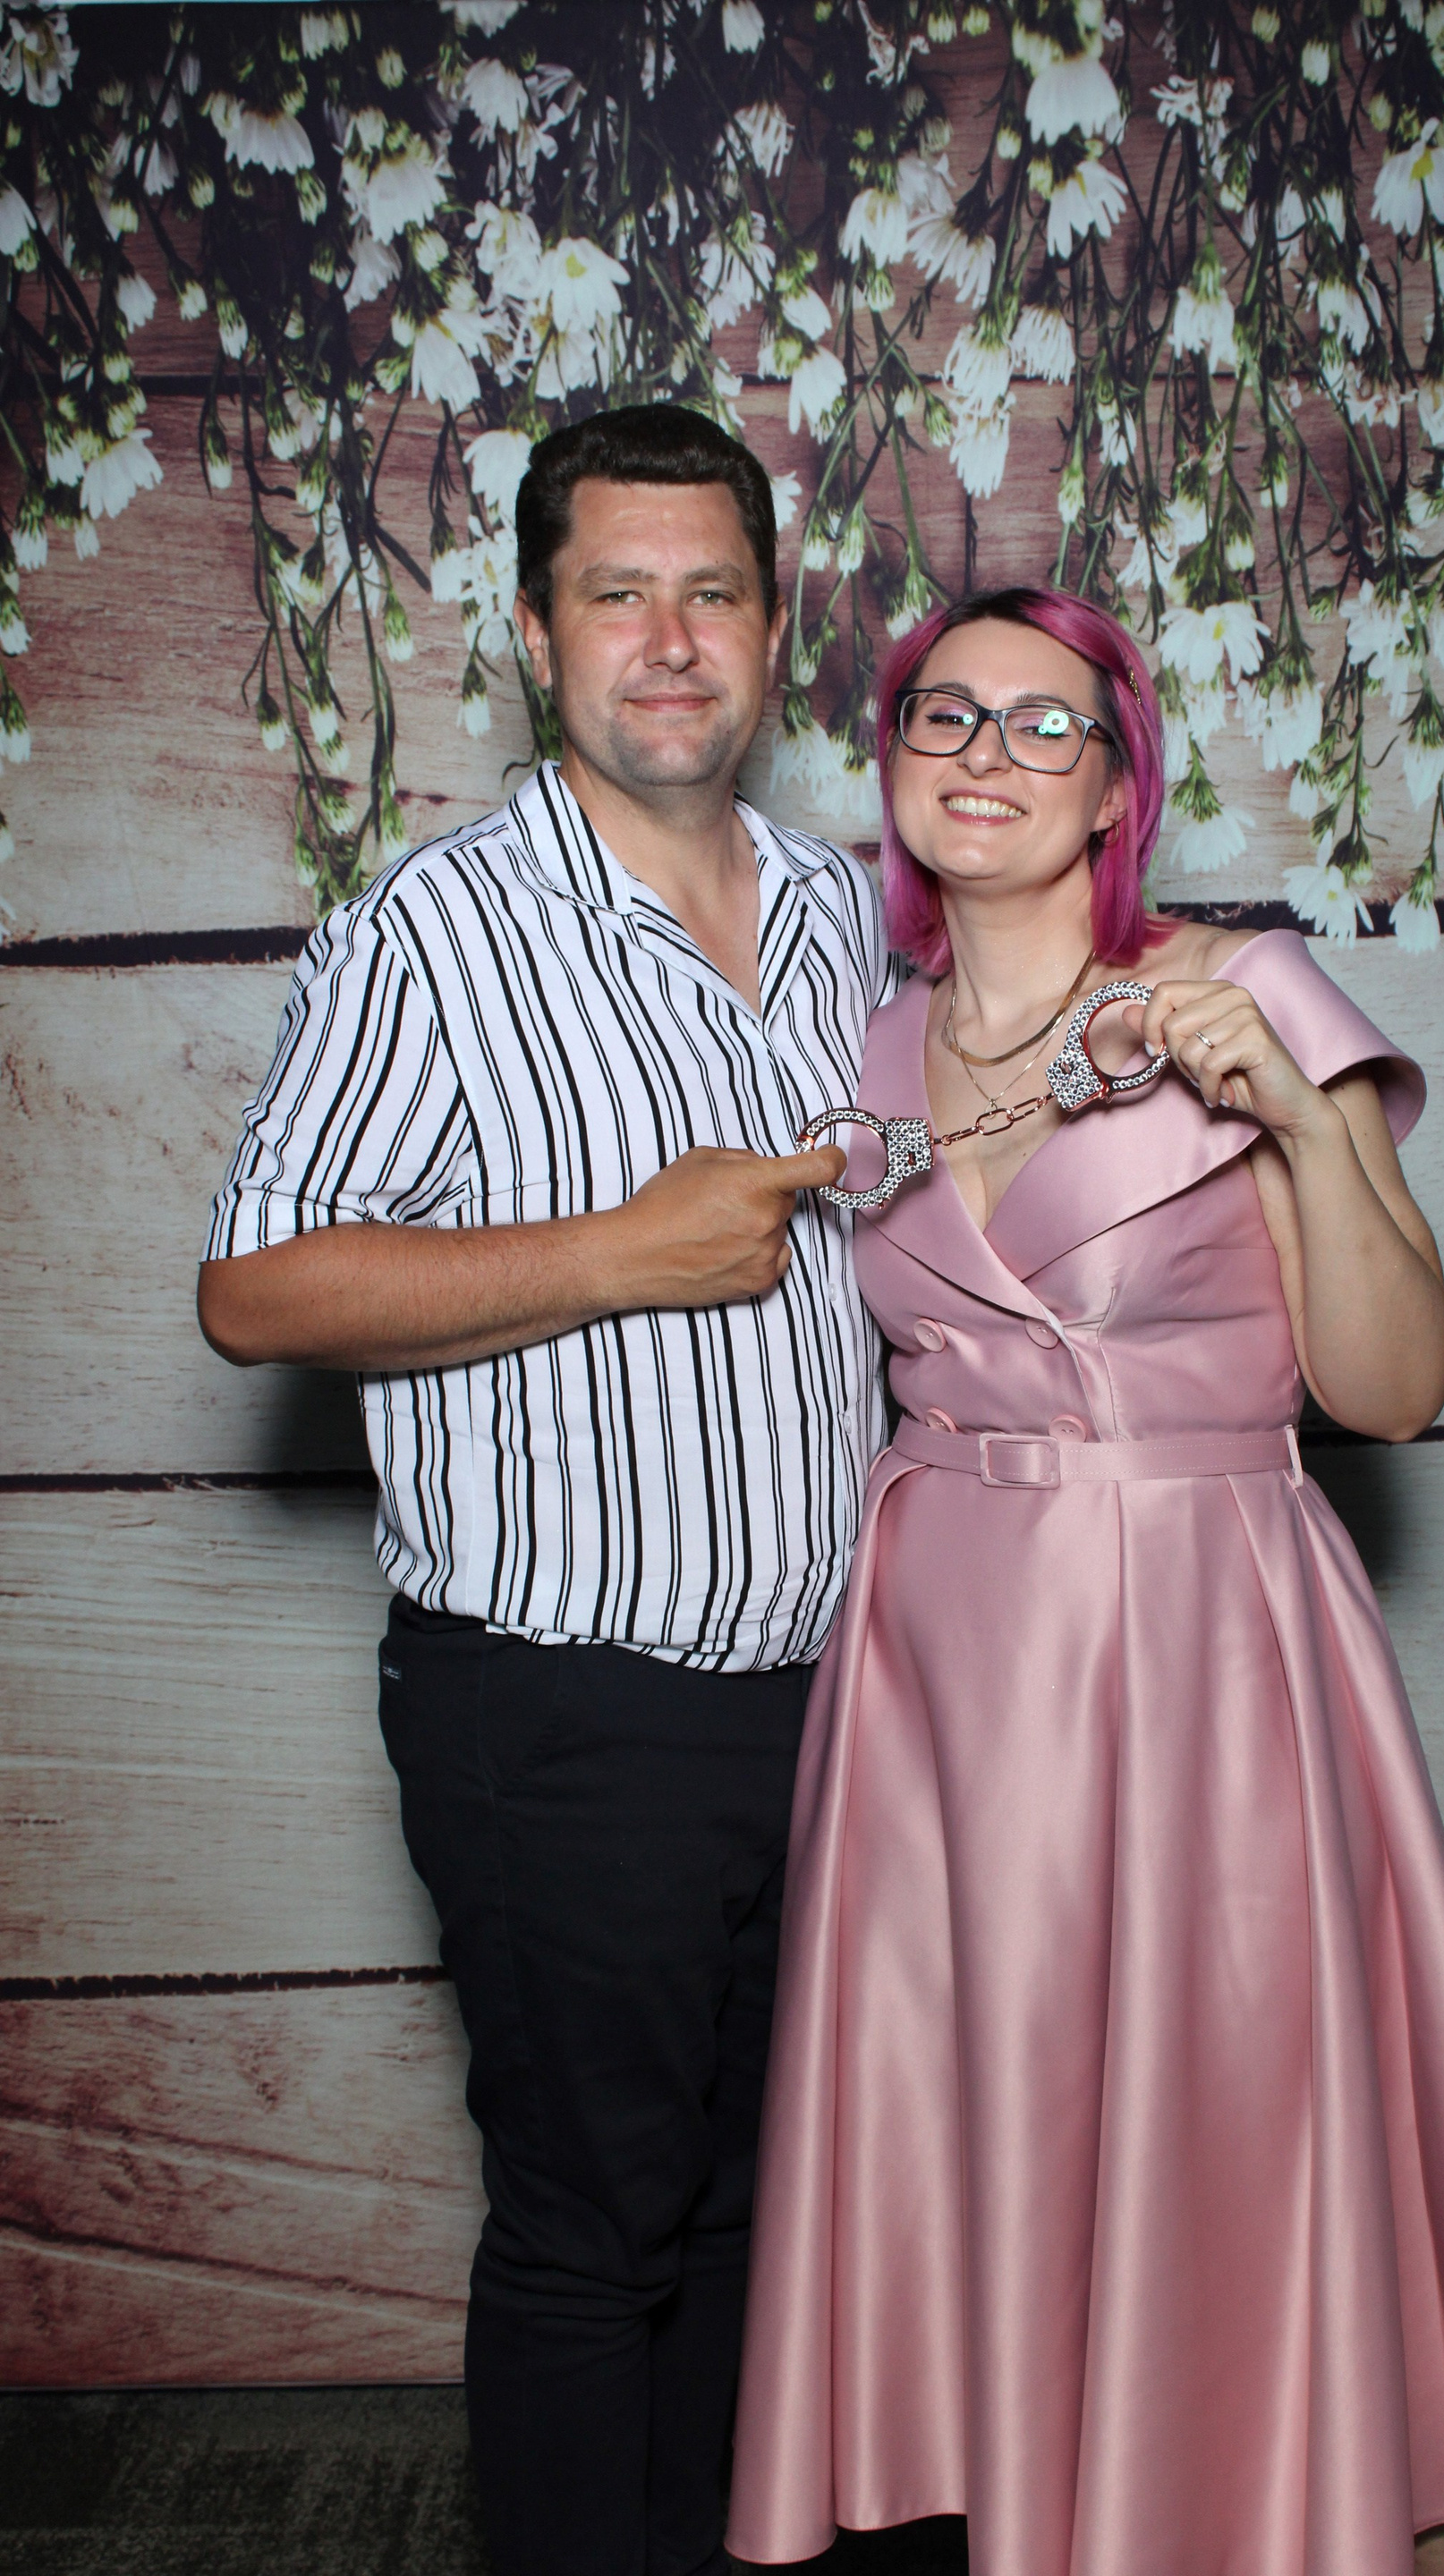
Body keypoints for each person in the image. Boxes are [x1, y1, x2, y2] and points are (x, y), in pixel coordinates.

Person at [726, 587, 1444, 2576]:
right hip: (939, 1665)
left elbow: (1392, 1390)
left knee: (1220, 2113)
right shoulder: (862, 1049)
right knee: (987, 2119)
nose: (987, 754)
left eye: (1047, 724)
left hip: (1202, 1641)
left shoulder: (1247, 992)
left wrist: (1295, 1116)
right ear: (890, 762)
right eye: (945, 715)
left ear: (1121, 786)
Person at [197, 403, 893, 2576]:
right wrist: (617, 1250)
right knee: (597, 2237)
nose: (669, 642)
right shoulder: (432, 933)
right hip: (568, 1703)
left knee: (761, 2218)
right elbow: (253, 1291)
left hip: (832, 1698)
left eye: (712, 593)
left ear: (776, 623)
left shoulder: (846, 913)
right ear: (530, 629)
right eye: (617, 594)